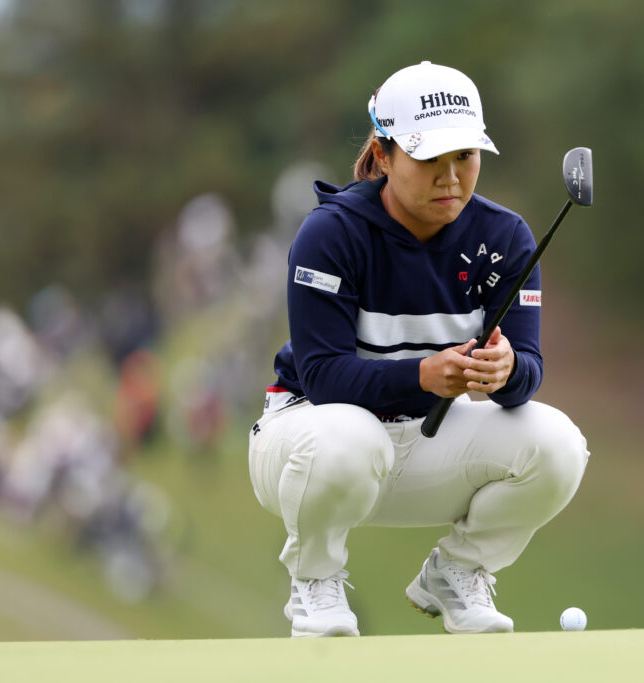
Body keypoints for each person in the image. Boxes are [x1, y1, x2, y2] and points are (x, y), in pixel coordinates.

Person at [247, 61, 589, 638]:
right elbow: (324, 377)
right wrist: (425, 377)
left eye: (465, 157)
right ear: (383, 156)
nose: (451, 177)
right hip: (308, 447)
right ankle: (316, 580)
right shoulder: (331, 234)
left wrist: (506, 372)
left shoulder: (505, 237)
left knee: (558, 445)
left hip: (430, 447)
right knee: (347, 438)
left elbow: (528, 372)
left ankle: (457, 572)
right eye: (430, 159)